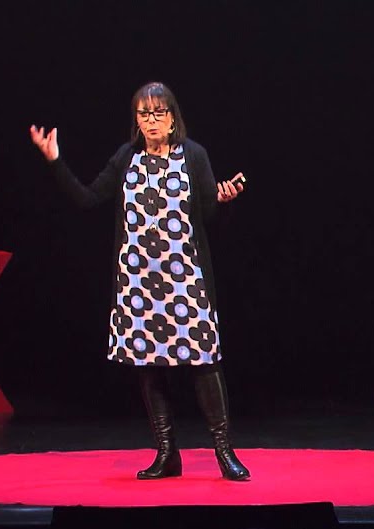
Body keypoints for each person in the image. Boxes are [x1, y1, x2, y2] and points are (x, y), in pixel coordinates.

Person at [30, 81, 250, 481]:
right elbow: (86, 198)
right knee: (149, 368)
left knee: (204, 363)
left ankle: (224, 451)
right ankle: (167, 454)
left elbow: (209, 216)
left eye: (158, 113)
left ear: (172, 117)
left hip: (187, 280)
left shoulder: (193, 157)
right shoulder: (126, 158)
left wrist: (224, 200)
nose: (151, 121)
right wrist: (55, 161)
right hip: (139, 284)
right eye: (143, 114)